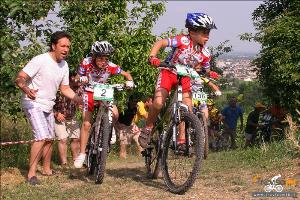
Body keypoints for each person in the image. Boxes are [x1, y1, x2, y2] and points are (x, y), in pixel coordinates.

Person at [138, 13, 218, 148]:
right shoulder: (182, 40)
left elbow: (205, 69)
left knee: (187, 108)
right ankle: (148, 128)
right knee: (158, 103)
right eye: (204, 32)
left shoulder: (205, 53)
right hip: (168, 72)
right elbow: (161, 42)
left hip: (185, 78)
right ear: (192, 31)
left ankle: (182, 140)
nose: (207, 36)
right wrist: (152, 56)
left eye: (208, 32)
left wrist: (212, 74)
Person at [15, 31, 82, 185]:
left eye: (68, 47)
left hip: (48, 105)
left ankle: (46, 169)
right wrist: (26, 89)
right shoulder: (40, 60)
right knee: (41, 136)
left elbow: (65, 89)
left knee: (49, 138)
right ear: (53, 46)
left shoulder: (64, 65)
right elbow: (20, 78)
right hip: (33, 102)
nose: (66, 49)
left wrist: (80, 100)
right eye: (63, 46)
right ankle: (31, 174)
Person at [74, 41, 134, 168]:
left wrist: (129, 81)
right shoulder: (86, 62)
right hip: (89, 91)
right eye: (100, 58)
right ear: (94, 57)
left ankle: (108, 129)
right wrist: (81, 78)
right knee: (86, 123)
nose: (103, 62)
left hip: (103, 91)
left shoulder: (110, 66)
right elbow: (75, 78)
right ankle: (82, 154)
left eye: (106, 59)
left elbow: (126, 74)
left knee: (116, 113)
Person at [53, 72, 82, 166]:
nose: (79, 79)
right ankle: (64, 163)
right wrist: (56, 114)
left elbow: (82, 101)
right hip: (58, 117)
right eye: (77, 77)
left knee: (76, 138)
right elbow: (48, 103)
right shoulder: (58, 88)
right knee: (63, 139)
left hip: (72, 116)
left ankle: (75, 161)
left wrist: (82, 105)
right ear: (71, 78)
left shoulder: (80, 89)